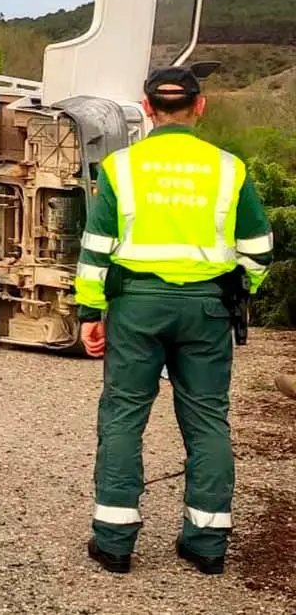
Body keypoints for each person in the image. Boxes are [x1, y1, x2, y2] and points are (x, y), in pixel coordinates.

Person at [73, 66, 274, 575]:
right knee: (208, 422)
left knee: (122, 418)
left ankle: (115, 542)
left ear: (146, 108)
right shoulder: (230, 168)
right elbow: (259, 249)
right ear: (199, 107)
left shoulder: (121, 168)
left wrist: (90, 312)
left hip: (135, 308)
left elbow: (96, 250)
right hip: (208, 310)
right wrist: (238, 290)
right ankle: (207, 546)